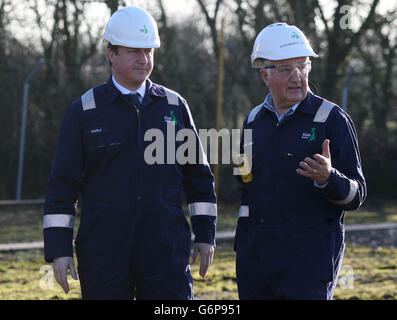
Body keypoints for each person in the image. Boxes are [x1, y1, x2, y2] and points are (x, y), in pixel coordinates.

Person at [43, 6, 217, 300]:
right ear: (111, 54)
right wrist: (59, 250)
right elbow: (62, 186)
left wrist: (205, 234)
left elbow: (198, 178)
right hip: (104, 256)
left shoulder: (174, 107)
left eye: (149, 51)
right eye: (134, 51)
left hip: (166, 254)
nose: (144, 59)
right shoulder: (85, 111)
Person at [234, 22, 367, 300]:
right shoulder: (252, 121)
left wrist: (329, 179)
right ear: (265, 74)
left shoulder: (332, 119)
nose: (298, 77)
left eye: (303, 67)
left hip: (309, 264)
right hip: (256, 264)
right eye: (286, 69)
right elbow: (246, 191)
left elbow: (357, 195)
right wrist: (243, 248)